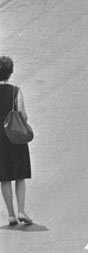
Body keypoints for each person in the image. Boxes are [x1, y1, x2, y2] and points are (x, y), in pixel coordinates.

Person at [0, 56, 32, 226]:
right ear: (10, 72)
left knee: (4, 177)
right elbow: (22, 113)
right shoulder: (15, 91)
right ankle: (21, 211)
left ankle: (11, 214)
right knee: (20, 175)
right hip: (14, 136)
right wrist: (25, 124)